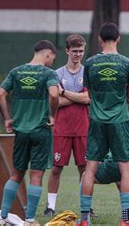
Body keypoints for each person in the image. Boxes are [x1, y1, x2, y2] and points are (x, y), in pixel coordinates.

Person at [0, 40, 60, 226]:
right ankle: (30, 220)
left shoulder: (16, 72)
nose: (51, 63)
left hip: (21, 131)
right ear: (47, 54)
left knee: (16, 174)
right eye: (52, 59)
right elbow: (54, 95)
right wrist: (52, 115)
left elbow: (0, 94)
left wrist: (7, 118)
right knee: (36, 175)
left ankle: (2, 217)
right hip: (40, 130)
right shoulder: (48, 73)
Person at [79, 23, 129, 226]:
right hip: (119, 120)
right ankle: (126, 221)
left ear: (99, 40)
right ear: (118, 38)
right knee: (125, 168)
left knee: (90, 168)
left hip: (96, 120)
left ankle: (84, 220)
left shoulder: (90, 63)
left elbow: (89, 93)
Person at [44, 35, 90, 216]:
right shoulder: (56, 74)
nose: (78, 54)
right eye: (75, 51)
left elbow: (88, 98)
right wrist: (76, 96)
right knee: (56, 168)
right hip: (61, 128)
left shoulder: (87, 72)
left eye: (81, 51)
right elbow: (54, 101)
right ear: (67, 51)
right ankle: (50, 206)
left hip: (82, 128)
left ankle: (85, 207)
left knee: (84, 169)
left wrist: (64, 93)